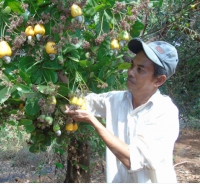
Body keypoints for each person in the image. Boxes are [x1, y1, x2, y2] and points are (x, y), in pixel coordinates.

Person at [65, 37, 179, 183]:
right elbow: (83, 100)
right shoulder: (116, 100)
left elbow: (132, 159)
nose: (130, 72)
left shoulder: (165, 112)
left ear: (159, 80)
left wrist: (93, 121)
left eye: (140, 69)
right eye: (132, 65)